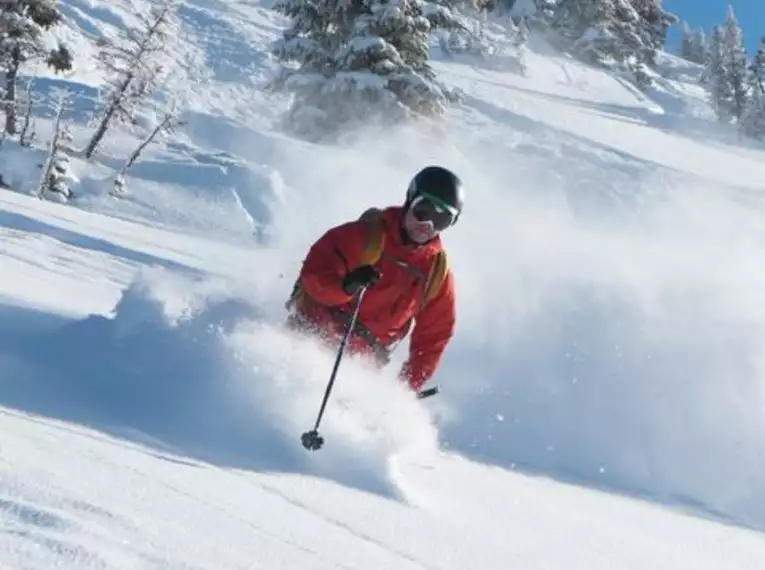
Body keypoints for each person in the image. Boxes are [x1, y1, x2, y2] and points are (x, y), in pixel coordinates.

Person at [285, 165, 463, 393]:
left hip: (359, 368)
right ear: (410, 200)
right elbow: (314, 275)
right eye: (423, 211)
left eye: (441, 220)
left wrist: (406, 388)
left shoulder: (436, 274)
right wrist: (345, 287)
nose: (427, 225)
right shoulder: (362, 237)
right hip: (307, 337)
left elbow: (434, 336)